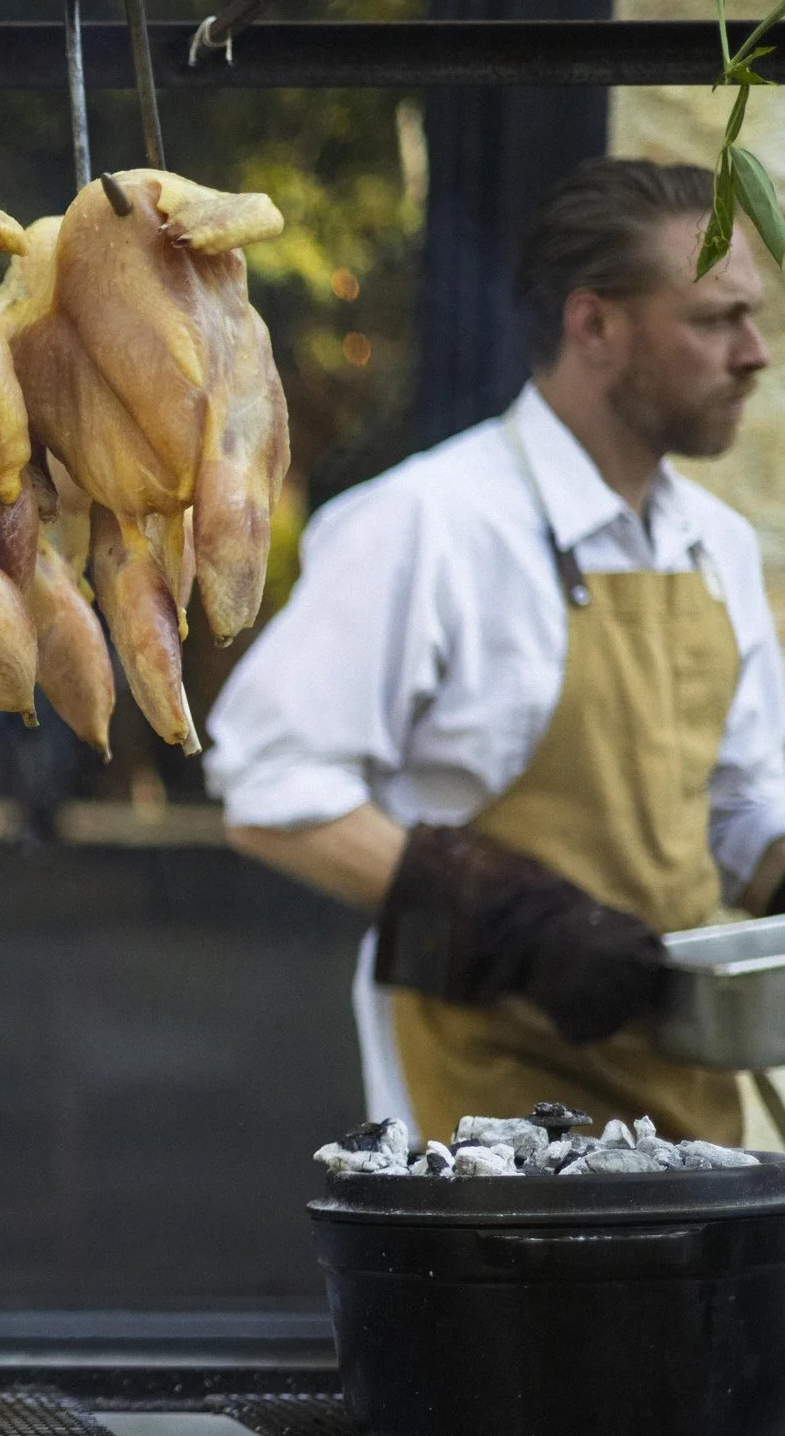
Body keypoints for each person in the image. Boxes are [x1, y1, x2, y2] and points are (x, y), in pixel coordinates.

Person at [208, 158, 785, 1145]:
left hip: (688, 1114)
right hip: (487, 1130)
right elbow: (268, 787)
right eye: (713, 320)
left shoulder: (717, 548)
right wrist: (507, 922)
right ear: (593, 325)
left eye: (755, 317)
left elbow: (737, 812)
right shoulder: (426, 523)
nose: (754, 354)